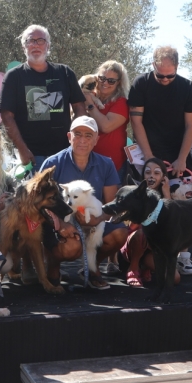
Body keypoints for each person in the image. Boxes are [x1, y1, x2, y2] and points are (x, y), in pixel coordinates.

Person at [39, 116, 128, 288]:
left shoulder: (106, 164)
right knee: (71, 248)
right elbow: (39, 204)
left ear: (96, 140)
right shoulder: (52, 163)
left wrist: (97, 219)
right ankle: (53, 267)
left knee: (120, 233)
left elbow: (112, 205)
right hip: (59, 223)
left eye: (88, 135)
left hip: (94, 220)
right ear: (69, 137)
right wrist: (61, 225)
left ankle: (92, 267)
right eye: (77, 134)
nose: (82, 140)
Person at [0, 25, 86, 170]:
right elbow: (6, 116)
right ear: (24, 47)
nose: (36, 45)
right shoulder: (14, 76)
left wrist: (75, 140)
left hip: (64, 154)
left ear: (48, 45)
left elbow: (80, 108)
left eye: (40, 40)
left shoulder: (65, 72)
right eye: (30, 41)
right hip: (31, 156)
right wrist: (22, 149)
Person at [127, 46, 192, 178]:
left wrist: (182, 158)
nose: (165, 79)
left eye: (170, 75)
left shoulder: (187, 87)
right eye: (160, 75)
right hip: (146, 152)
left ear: (177, 66)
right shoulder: (141, 83)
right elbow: (136, 122)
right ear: (153, 65)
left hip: (178, 155)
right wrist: (149, 157)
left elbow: (191, 125)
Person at [121, 157, 188, 287]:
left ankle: (146, 267)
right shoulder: (135, 194)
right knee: (143, 232)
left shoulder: (167, 196)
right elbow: (131, 226)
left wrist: (166, 193)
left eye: (156, 173)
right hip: (134, 245)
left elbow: (172, 225)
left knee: (174, 279)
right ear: (143, 176)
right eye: (148, 172)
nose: (151, 176)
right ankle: (133, 268)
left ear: (163, 177)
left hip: (153, 250)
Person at [83, 60, 130, 176]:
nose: (105, 83)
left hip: (112, 165)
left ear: (118, 82)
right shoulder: (91, 96)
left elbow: (106, 126)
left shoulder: (121, 102)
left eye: (111, 81)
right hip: (87, 161)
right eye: (102, 78)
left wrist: (90, 105)